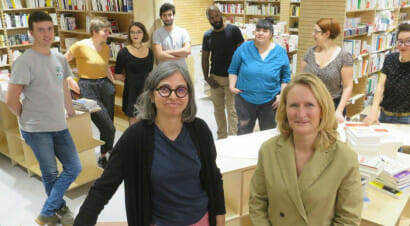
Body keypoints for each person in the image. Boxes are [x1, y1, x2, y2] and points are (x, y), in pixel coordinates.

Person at [74, 62, 226, 226]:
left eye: (181, 90)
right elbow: (103, 188)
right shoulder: (135, 137)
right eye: (165, 89)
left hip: (202, 220)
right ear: (152, 96)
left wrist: (220, 219)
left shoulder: (199, 130)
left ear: (188, 96)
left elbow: (213, 178)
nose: (173, 96)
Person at [249, 73, 363, 225]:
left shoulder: (345, 158)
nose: (301, 114)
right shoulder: (268, 150)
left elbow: (349, 219)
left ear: (322, 109)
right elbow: (257, 202)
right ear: (285, 109)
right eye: (294, 105)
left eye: (309, 105)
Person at [6, 11, 82, 225]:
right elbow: (12, 99)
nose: (47, 34)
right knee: (50, 174)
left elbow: (64, 87)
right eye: (41, 30)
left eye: (50, 29)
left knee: (74, 167)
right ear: (31, 32)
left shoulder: (59, 57)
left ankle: (47, 212)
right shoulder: (24, 61)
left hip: (59, 125)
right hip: (36, 129)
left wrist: (71, 111)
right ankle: (62, 210)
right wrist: (26, 118)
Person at [65, 17, 116, 168]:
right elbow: (60, 62)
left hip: (105, 86)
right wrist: (69, 79)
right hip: (87, 87)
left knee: (107, 124)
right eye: (105, 31)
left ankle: (103, 155)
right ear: (94, 31)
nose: (108, 34)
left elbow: (105, 67)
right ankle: (108, 151)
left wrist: (112, 83)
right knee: (108, 126)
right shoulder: (80, 46)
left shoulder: (106, 47)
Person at [228, 18, 291, 135]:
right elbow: (233, 69)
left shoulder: (280, 52)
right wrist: (232, 86)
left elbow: (286, 77)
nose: (260, 33)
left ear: (271, 34)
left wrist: (282, 94)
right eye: (258, 30)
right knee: (243, 132)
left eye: (265, 30)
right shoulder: (243, 48)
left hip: (270, 102)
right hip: (245, 100)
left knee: (268, 134)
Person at [201, 6, 244, 139]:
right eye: (211, 18)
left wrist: (239, 76)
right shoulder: (207, 35)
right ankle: (221, 137)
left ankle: (232, 138)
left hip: (232, 78)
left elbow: (242, 54)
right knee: (218, 110)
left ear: (221, 14)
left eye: (216, 16)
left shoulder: (234, 31)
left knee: (232, 111)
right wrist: (206, 77)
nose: (215, 20)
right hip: (215, 78)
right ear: (208, 19)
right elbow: (205, 57)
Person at [301, 18, 353, 123]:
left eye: (316, 32)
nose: (313, 34)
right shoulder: (309, 53)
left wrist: (339, 111)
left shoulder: (344, 56)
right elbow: (300, 79)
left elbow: (348, 86)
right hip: (309, 105)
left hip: (332, 106)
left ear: (327, 34)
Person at [363, 22, 410, 125]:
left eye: (408, 41)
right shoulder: (390, 59)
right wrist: (374, 110)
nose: (403, 45)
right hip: (385, 115)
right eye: (400, 41)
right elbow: (380, 86)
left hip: (407, 118)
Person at [115, 22, 154, 126]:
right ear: (129, 34)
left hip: (146, 91)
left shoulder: (149, 52)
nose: (135, 35)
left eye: (138, 32)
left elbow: (150, 73)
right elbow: (117, 74)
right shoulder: (123, 52)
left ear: (143, 34)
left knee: (147, 122)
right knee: (134, 124)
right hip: (131, 92)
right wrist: (129, 78)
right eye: (132, 32)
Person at [152, 3, 191, 68]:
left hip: (181, 70)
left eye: (170, 15)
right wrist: (179, 56)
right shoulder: (157, 33)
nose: (167, 18)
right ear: (161, 17)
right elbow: (159, 55)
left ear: (174, 15)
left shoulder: (183, 32)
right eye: (164, 15)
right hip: (165, 71)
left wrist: (166, 52)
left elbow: (187, 51)